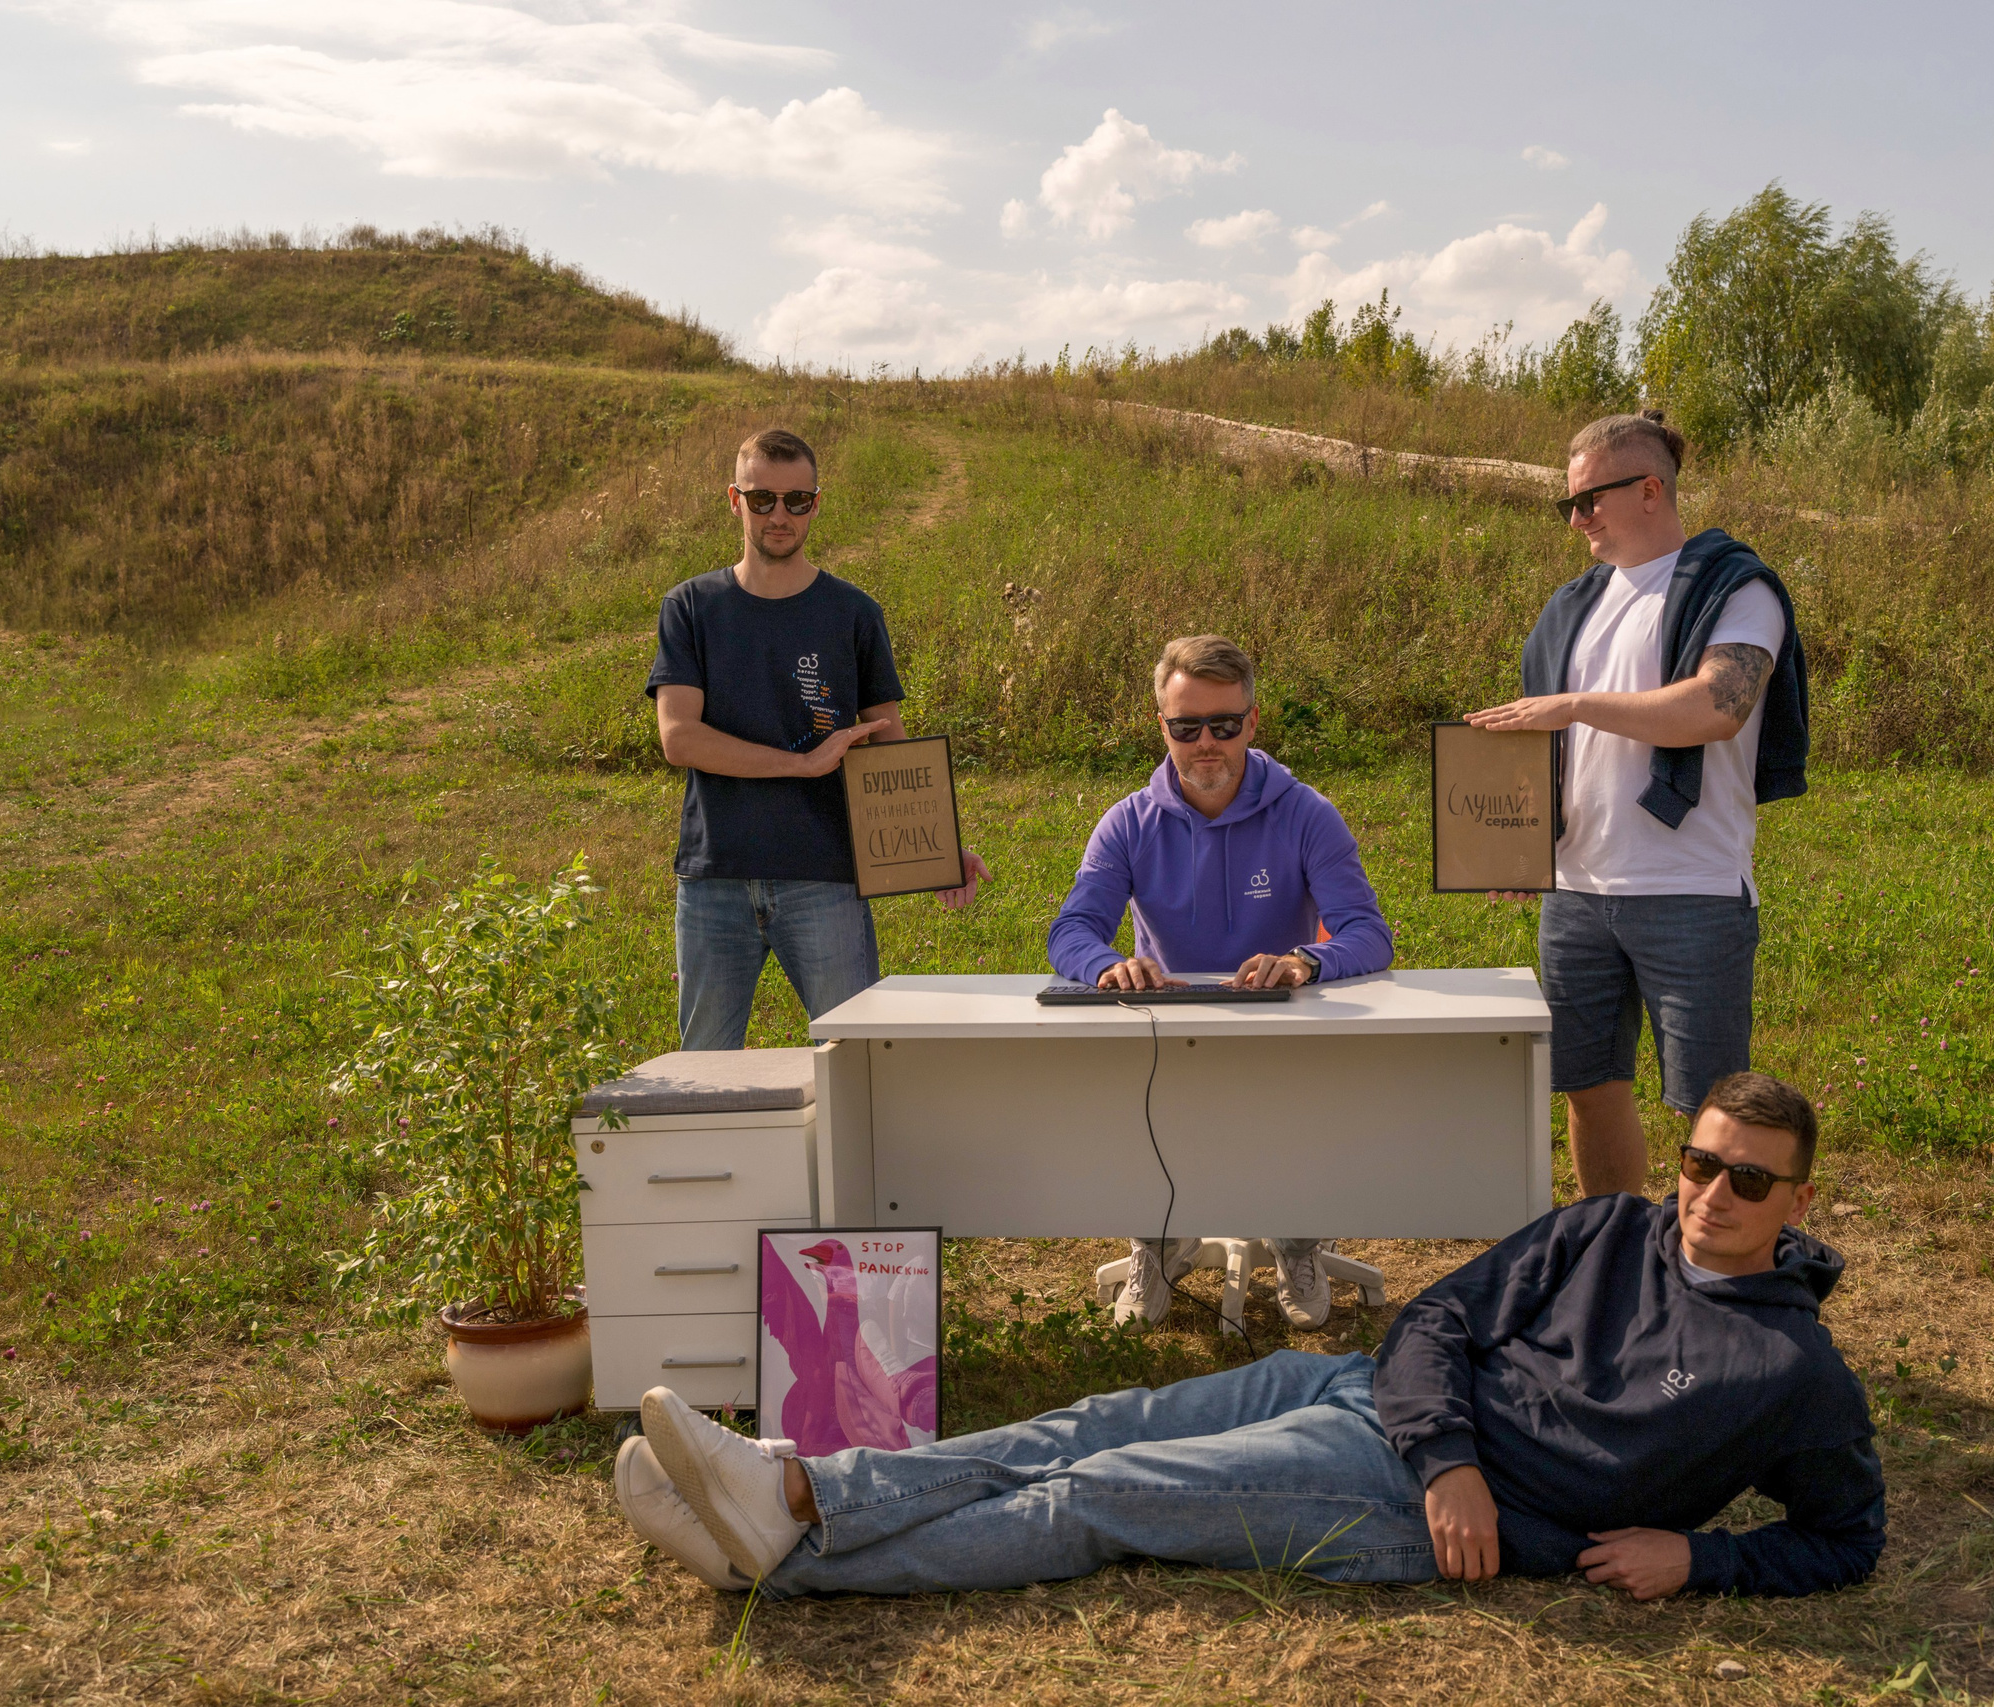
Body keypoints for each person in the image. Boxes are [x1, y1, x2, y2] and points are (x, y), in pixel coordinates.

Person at [613, 1072, 1883, 1602]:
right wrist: (1442, 1442)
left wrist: (1700, 1564)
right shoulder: (1609, 1228)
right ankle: (794, 1498)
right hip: (1376, 1403)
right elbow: (1438, 1316)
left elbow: (1848, 1539)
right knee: (1089, 1422)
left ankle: (783, 1544)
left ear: (1799, 1201)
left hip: (1408, 1502)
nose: (1711, 1195)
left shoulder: (1790, 1375)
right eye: (1701, 1163)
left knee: (1104, 1494)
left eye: (1748, 1182)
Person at [1466, 410, 1808, 1198]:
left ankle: (1707, 1277)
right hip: (1579, 893)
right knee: (1588, 1086)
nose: (1577, 518)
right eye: (1569, 504)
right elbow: (1545, 744)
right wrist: (1524, 845)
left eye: (1589, 499)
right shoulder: (1573, 605)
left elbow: (1716, 706)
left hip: (1691, 889)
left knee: (1715, 1112)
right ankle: (1616, 1254)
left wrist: (1580, 703)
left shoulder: (1735, 585)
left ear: (1650, 488)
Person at [1045, 634, 1395, 1331]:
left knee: (1299, 1099)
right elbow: (1070, 933)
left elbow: (1368, 932)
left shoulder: (1305, 813)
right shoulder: (1128, 823)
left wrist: (1305, 960)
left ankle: (1297, 1243)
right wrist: (1107, 964)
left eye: (1225, 725)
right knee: (1126, 1086)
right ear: (1162, 728)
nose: (1207, 742)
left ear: (1253, 722)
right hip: (1167, 1036)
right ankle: (1159, 1240)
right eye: (1187, 727)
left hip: (1280, 1031)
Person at [648, 428, 987, 1051]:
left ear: (815, 504)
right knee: (704, 1072)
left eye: (797, 500)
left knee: (855, 1063)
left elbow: (886, 741)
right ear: (734, 500)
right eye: (763, 499)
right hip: (716, 878)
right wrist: (801, 765)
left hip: (824, 877)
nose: (780, 514)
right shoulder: (691, 607)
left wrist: (938, 847)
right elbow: (680, 738)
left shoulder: (853, 613)